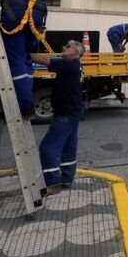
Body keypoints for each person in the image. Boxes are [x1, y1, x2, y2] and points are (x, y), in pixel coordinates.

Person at [31, 40, 85, 194]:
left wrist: (21, 53)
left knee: (48, 147)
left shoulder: (69, 64)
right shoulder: (76, 65)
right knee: (69, 146)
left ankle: (52, 183)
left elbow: (44, 60)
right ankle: (66, 179)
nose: (63, 47)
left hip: (65, 113)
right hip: (73, 111)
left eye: (68, 46)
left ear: (76, 52)